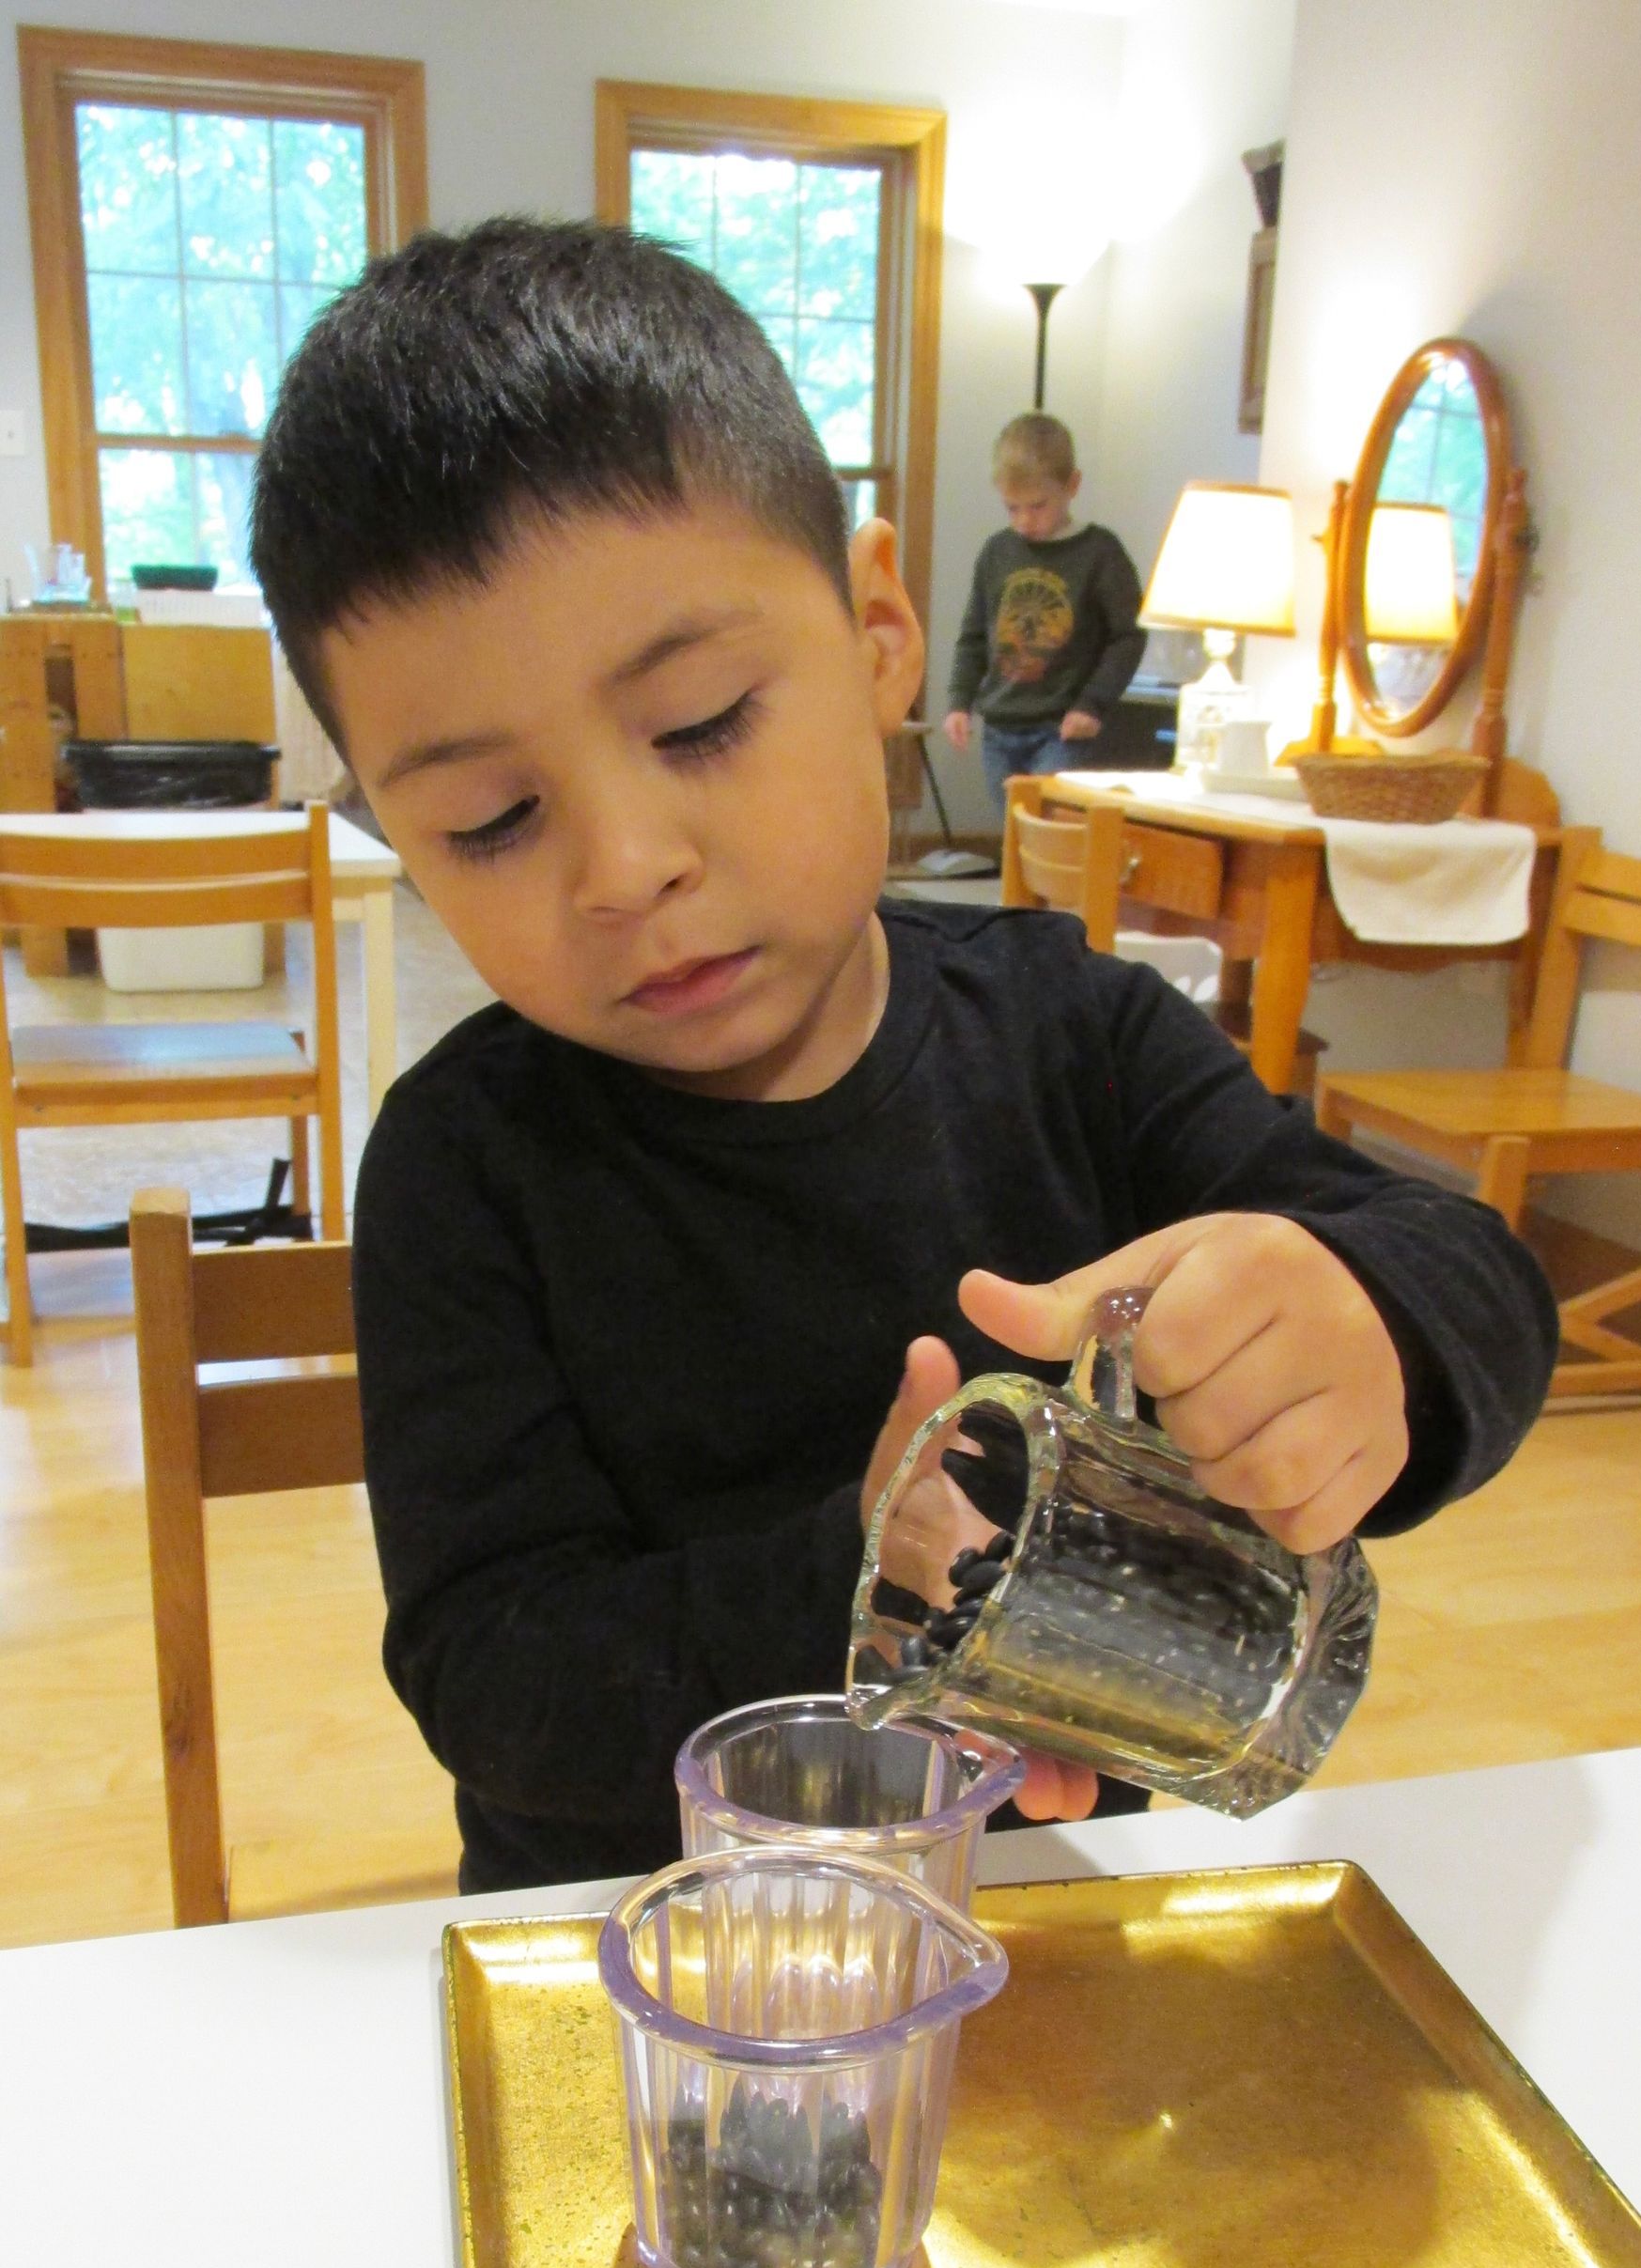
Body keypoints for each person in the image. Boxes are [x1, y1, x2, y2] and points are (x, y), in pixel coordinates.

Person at [250, 218, 1558, 1895]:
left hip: (1043, 1928)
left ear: (878, 636)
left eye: (705, 721)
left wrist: (1370, 1330)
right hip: (647, 1944)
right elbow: (495, 1675)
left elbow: (1473, 1276)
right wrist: (861, 1574)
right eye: (492, 819)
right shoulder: (465, 1163)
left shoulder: (1068, 1033)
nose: (623, 866)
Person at [941, 412, 1147, 813]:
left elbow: (1128, 636)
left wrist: (1092, 704)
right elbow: (974, 637)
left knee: (1048, 832)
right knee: (1017, 838)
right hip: (1000, 728)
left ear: (1072, 485)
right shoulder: (996, 552)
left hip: (1062, 730)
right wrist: (959, 701)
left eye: (1037, 506)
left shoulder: (1100, 553)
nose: (1024, 521)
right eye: (1011, 508)